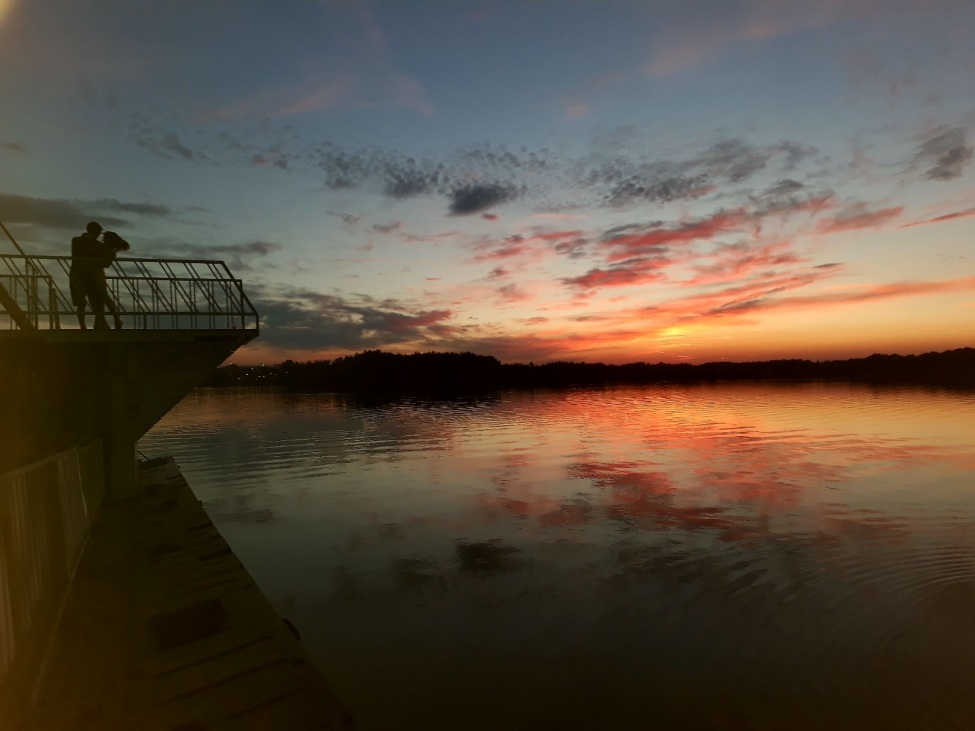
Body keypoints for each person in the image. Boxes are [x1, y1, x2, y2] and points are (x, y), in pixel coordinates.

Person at [69, 222, 126, 330]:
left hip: (83, 275)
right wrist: (109, 252)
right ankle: (95, 324)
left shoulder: (78, 241)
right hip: (86, 275)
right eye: (98, 234)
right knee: (90, 301)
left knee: (92, 302)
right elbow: (104, 261)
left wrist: (109, 252)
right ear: (95, 232)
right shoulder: (88, 243)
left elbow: (104, 262)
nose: (98, 237)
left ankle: (95, 324)